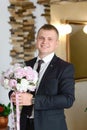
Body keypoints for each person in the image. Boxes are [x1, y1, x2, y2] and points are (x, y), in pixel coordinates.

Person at [10, 24, 75, 130]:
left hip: (50, 126)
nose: (45, 42)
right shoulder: (27, 64)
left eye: (50, 39)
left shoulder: (65, 68)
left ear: (56, 43)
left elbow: (67, 100)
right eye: (41, 38)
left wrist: (33, 100)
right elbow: (16, 88)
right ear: (36, 40)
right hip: (25, 125)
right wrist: (13, 95)